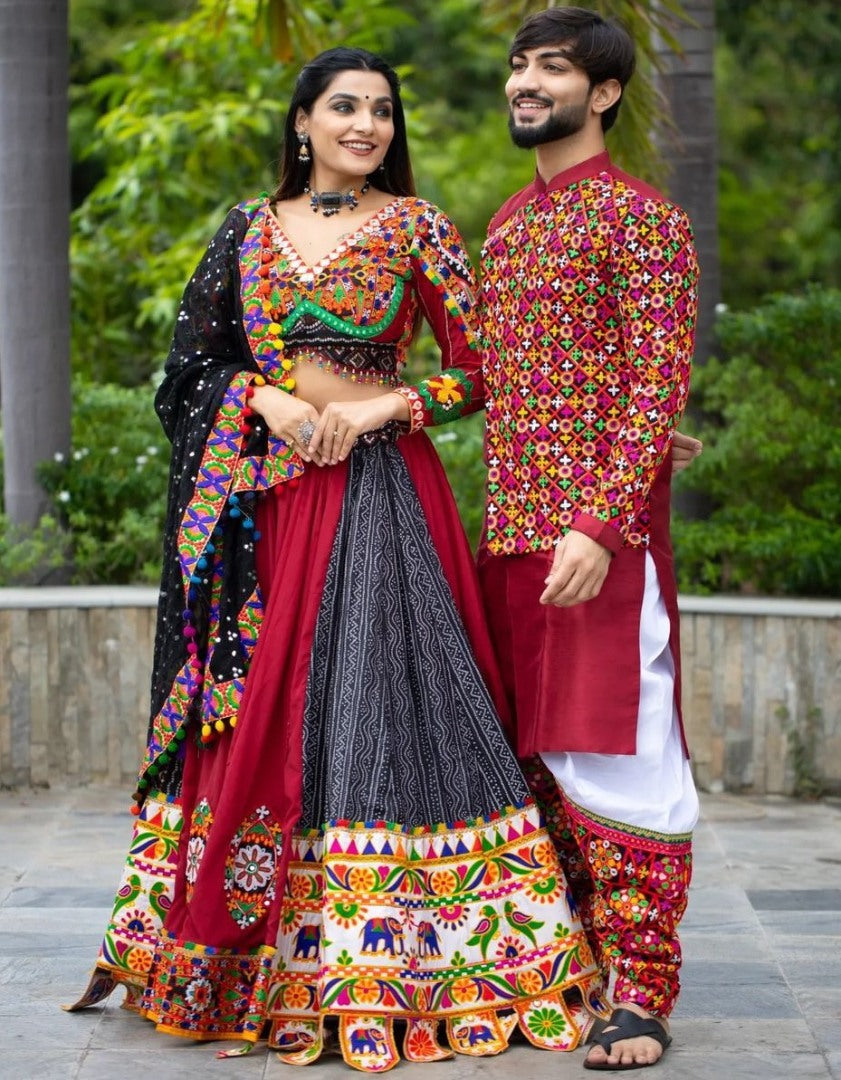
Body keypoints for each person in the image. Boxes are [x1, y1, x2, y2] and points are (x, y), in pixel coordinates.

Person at [67, 46, 608, 1072]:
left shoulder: (418, 230)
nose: (367, 125)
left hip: (379, 505)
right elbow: (189, 368)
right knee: (257, 703)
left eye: (383, 112)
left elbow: (479, 368)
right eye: (345, 107)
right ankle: (236, 961)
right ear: (303, 122)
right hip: (259, 508)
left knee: (374, 700)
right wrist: (259, 396)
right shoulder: (243, 230)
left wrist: (384, 408)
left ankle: (389, 964)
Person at [475, 8, 701, 1071]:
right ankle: (570, 970)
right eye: (519, 65)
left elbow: (654, 379)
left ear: (601, 93)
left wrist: (603, 523)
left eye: (551, 69)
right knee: (536, 763)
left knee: (620, 751)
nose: (525, 83)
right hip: (510, 537)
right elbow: (495, 378)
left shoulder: (642, 218)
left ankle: (642, 996)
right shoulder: (511, 223)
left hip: (596, 546)